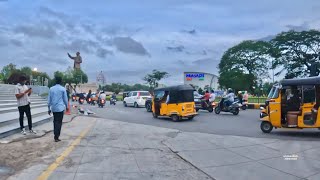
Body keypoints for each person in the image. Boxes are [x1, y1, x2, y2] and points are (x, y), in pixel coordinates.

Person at [48, 76, 68, 142]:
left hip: (54, 108)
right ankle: (57, 136)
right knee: (59, 122)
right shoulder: (63, 89)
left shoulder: (51, 89)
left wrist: (49, 108)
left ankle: (55, 135)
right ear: (61, 81)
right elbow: (65, 99)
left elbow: (49, 99)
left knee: (55, 121)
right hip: (60, 108)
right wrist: (67, 106)